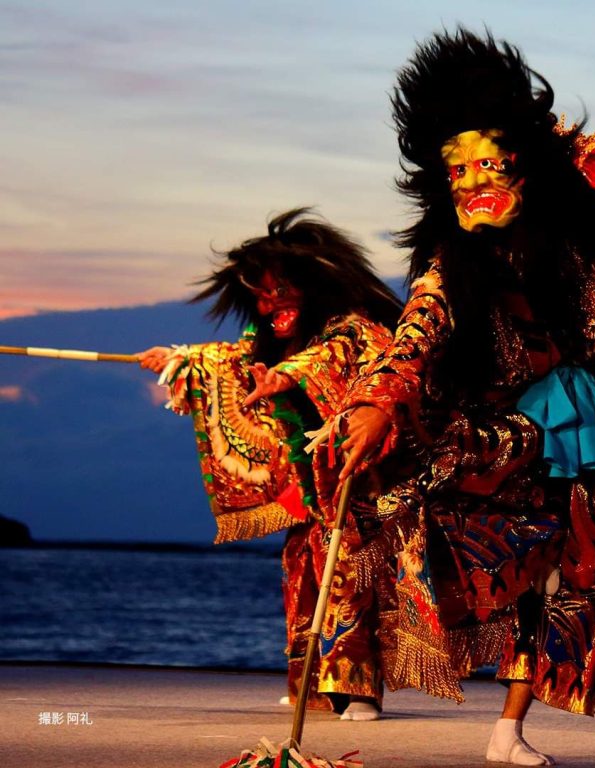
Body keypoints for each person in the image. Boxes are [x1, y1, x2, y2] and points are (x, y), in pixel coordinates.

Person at [336, 29, 595, 764]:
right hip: (491, 437)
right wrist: (377, 404)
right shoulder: (451, 267)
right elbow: (415, 331)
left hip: (578, 424)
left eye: (489, 163)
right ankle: (367, 677)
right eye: (459, 170)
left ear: (524, 164)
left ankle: (509, 729)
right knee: (478, 566)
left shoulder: (567, 234)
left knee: (572, 574)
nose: (474, 182)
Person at [138, 208, 403, 721]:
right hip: (308, 488)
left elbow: (330, 358)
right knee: (301, 574)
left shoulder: (354, 329)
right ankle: (313, 687)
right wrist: (181, 359)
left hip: (357, 478)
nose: (271, 304)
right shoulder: (274, 340)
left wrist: (286, 376)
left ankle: (360, 689)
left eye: (281, 290)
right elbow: (231, 359)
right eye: (261, 295)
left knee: (349, 575)